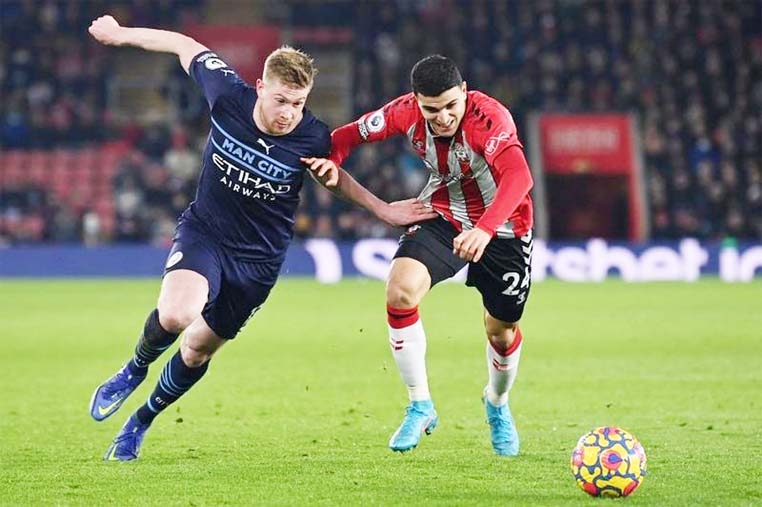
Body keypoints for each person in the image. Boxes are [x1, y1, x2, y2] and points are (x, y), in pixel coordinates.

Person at [86, 15, 434, 462]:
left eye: (299, 102)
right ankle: (132, 369)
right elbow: (181, 42)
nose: (289, 112)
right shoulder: (227, 94)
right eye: (282, 100)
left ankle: (141, 422)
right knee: (177, 315)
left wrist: (385, 210)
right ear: (260, 87)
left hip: (258, 263)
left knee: (195, 351)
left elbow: (335, 178)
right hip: (206, 234)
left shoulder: (312, 135)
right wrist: (119, 35)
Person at [305, 55, 534, 456]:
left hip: (504, 229)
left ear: (464, 92)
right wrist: (330, 163)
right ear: (416, 101)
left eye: (451, 105)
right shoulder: (404, 113)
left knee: (501, 331)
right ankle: (420, 404)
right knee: (401, 291)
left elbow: (519, 177)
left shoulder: (490, 119)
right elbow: (343, 139)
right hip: (443, 215)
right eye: (432, 109)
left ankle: (496, 404)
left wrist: (483, 230)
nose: (443, 117)